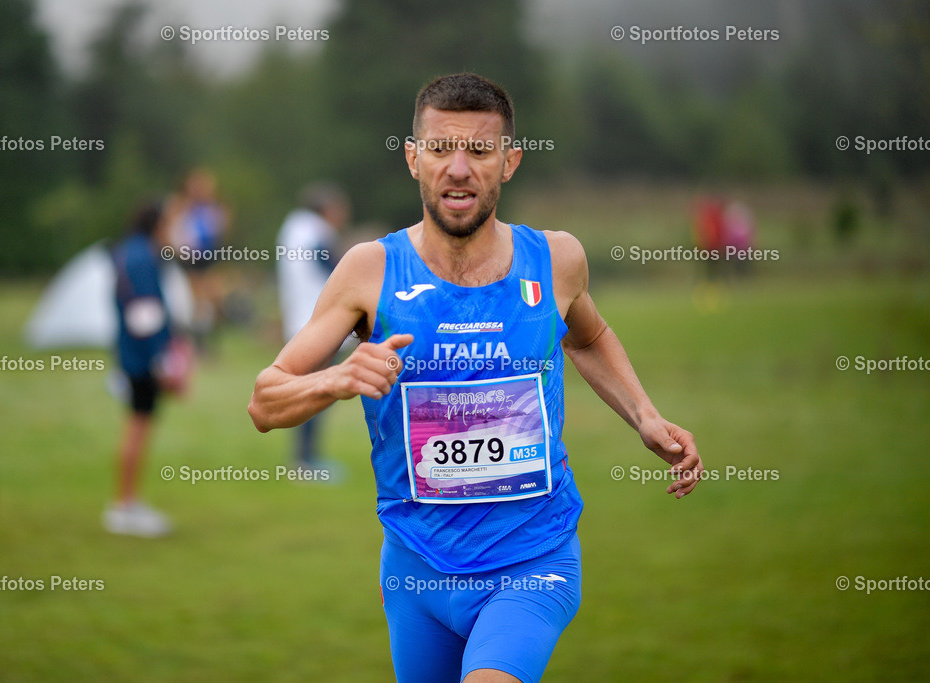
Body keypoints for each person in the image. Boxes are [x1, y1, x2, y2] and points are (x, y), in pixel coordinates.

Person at [248, 73, 703, 683]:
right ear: (413, 158)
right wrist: (337, 379)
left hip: (533, 560)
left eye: (480, 150)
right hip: (416, 570)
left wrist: (645, 415)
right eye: (440, 148)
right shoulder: (369, 271)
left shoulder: (556, 260)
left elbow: (588, 336)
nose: (458, 169)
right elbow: (265, 402)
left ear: (509, 162)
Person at [103, 201, 189, 538]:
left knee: (139, 425)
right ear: (158, 225)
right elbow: (145, 312)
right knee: (138, 427)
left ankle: (128, 502)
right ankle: (125, 505)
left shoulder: (131, 252)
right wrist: (162, 360)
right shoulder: (142, 257)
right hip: (141, 358)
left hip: (133, 354)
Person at [275, 182, 350, 472]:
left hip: (298, 321)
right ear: (327, 210)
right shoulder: (318, 232)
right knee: (318, 393)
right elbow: (338, 273)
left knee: (309, 391)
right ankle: (307, 461)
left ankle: (304, 458)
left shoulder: (292, 229)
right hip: (321, 326)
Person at [166, 167, 230, 352]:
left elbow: (220, 232)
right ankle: (191, 344)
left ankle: (208, 343)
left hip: (208, 260)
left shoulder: (214, 208)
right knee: (191, 304)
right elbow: (171, 234)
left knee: (213, 302)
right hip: (187, 262)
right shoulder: (179, 206)